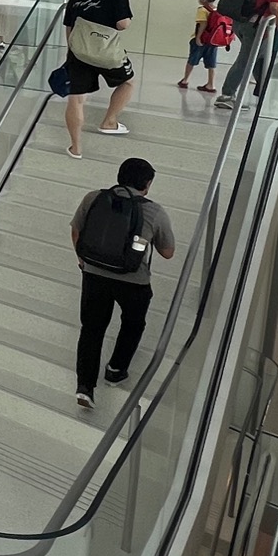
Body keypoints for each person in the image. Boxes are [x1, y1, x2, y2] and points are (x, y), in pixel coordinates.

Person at [70, 157, 175, 410]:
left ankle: (85, 387)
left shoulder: (93, 197)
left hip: (94, 274)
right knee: (132, 324)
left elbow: (76, 230)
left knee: (91, 329)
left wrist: (83, 260)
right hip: (134, 281)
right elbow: (168, 252)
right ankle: (116, 369)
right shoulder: (154, 211)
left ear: (119, 176)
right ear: (147, 184)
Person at [62, 0, 136, 158]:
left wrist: (72, 51)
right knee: (128, 83)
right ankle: (109, 122)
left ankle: (76, 148)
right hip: (106, 52)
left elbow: (69, 26)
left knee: (76, 99)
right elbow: (123, 24)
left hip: (78, 52)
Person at [177, 0, 224, 93]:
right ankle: (211, 84)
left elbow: (202, 24)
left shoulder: (202, 10)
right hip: (212, 41)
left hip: (201, 40)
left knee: (192, 60)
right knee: (211, 63)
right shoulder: (216, 9)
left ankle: (185, 80)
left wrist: (198, 38)